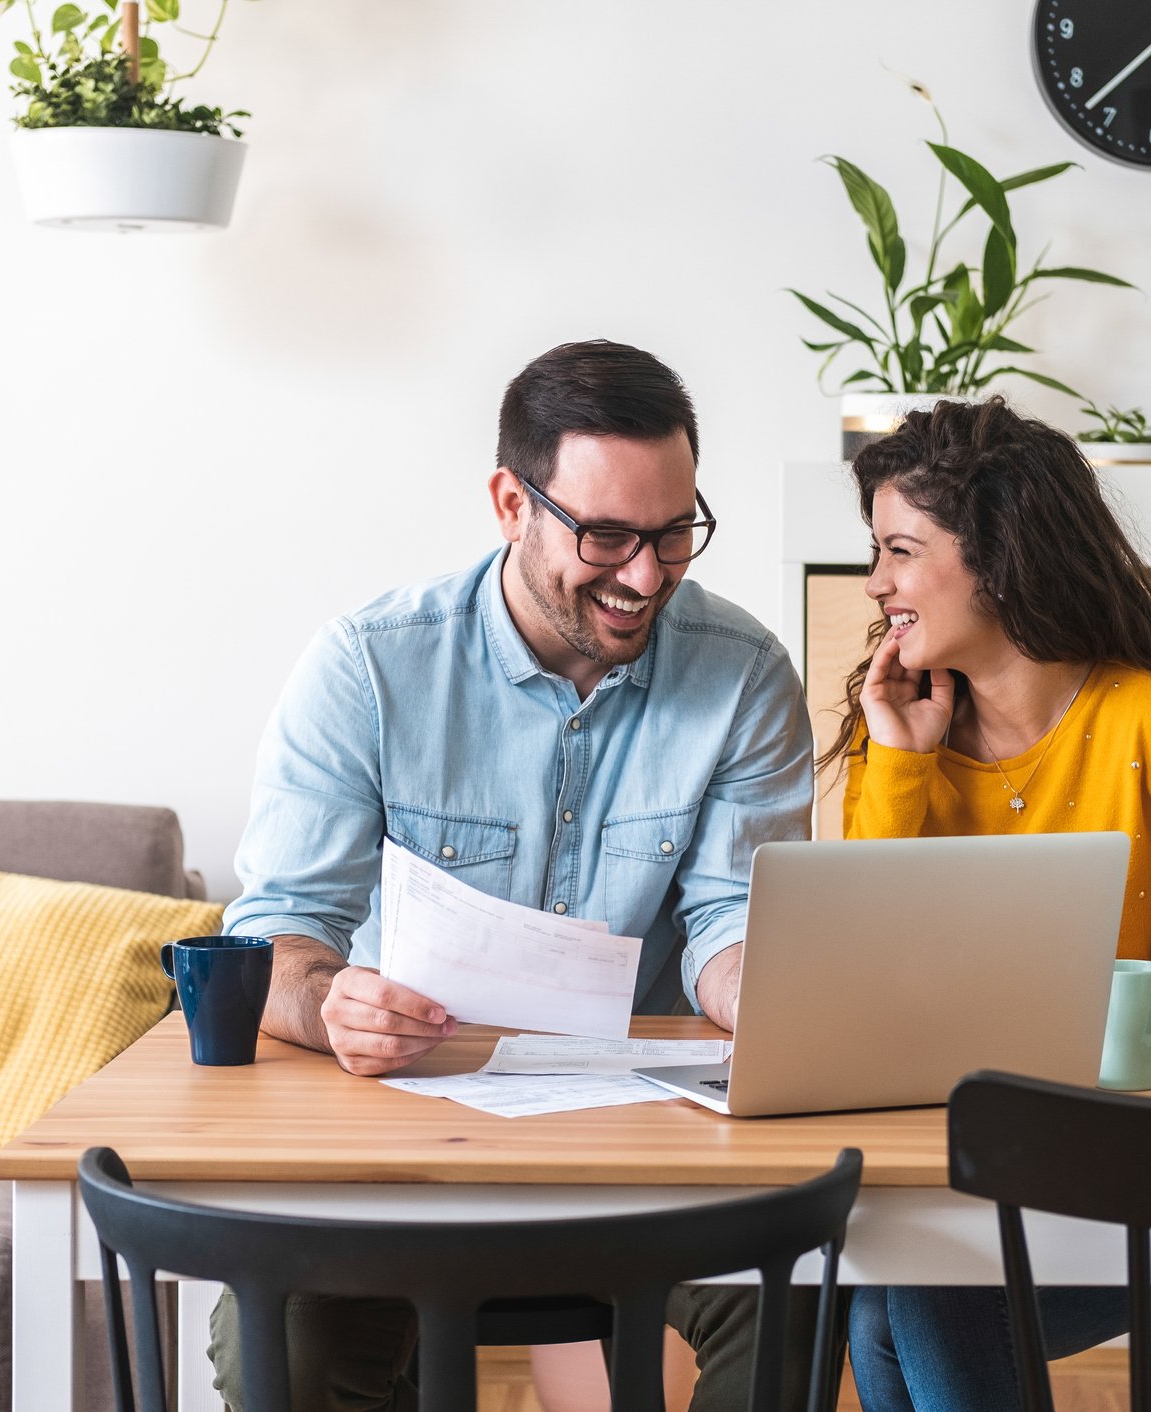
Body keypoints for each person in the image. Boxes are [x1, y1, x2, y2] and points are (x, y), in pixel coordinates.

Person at [212, 339, 820, 1412]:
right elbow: (279, 934)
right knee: (284, 1345)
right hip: (399, 1138)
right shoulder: (368, 665)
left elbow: (732, 915)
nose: (646, 576)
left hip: (657, 1151)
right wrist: (327, 1006)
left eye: (675, 533)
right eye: (607, 536)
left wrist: (767, 990)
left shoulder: (744, 674)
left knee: (802, 1299)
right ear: (510, 502)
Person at [827, 396, 1151, 1412]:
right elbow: (863, 974)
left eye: (901, 549)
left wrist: (1028, 1020)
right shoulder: (904, 731)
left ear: (996, 556)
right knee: (879, 1297)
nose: (878, 583)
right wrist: (899, 766)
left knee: (923, 1299)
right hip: (981, 1171)